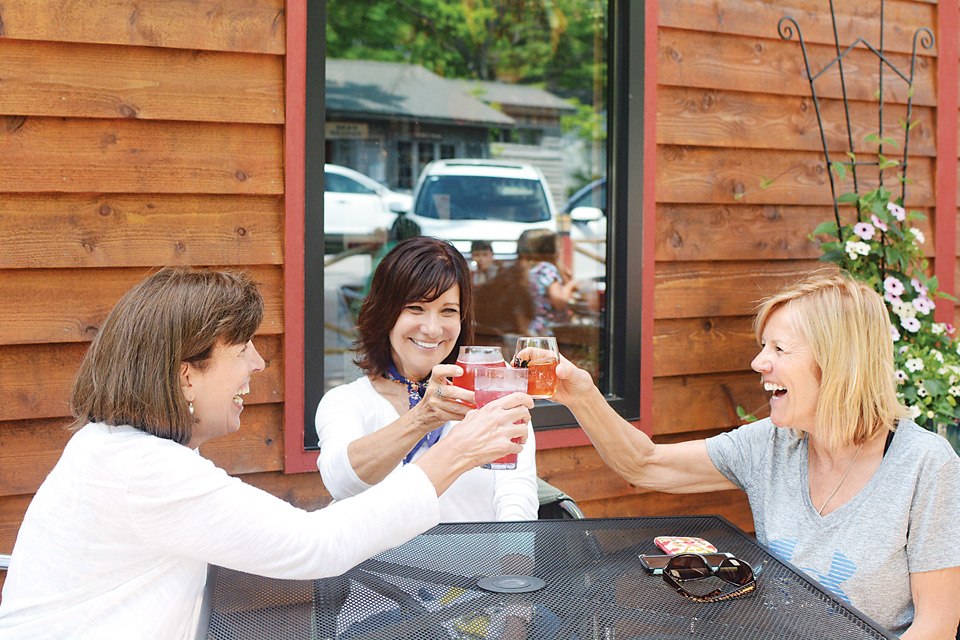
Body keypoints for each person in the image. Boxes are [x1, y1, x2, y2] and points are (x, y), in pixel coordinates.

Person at [0, 267, 531, 639]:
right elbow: (316, 545)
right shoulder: (142, 470)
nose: (258, 364)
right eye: (242, 348)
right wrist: (455, 452)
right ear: (187, 374)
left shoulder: (111, 448)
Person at [549, 272, 960, 638]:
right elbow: (645, 464)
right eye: (764, 346)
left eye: (780, 349)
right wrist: (582, 395)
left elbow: (935, 627)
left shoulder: (924, 464)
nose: (758, 362)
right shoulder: (771, 444)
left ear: (839, 363)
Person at [316, 236, 539, 523]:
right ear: (385, 312)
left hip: (479, 568)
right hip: (380, 569)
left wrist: (514, 566)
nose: (432, 329)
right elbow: (341, 483)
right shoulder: (346, 401)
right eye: (416, 308)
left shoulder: (495, 391)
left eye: (448, 311)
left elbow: (516, 497)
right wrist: (422, 417)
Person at [516, 229, 579, 334]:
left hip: (535, 326)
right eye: (558, 247)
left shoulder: (530, 270)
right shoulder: (547, 269)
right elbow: (559, 302)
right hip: (550, 328)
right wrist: (571, 285)